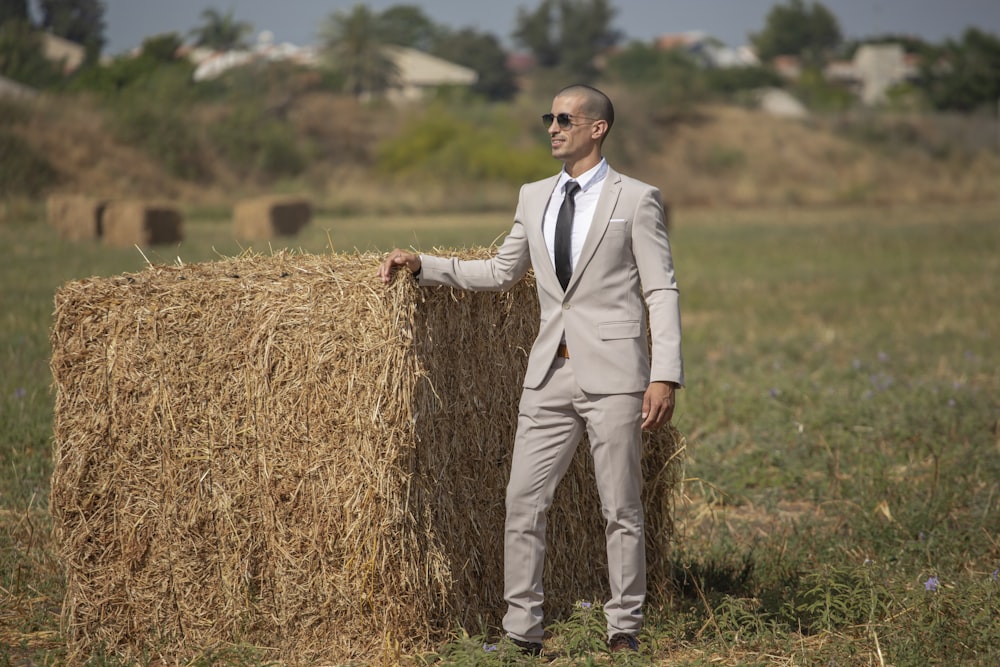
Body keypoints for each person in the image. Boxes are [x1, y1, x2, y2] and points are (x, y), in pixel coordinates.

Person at [378, 84, 683, 655]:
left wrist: (664, 374)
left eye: (565, 118)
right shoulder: (533, 195)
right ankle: (523, 633)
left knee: (620, 507)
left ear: (598, 128)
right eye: (549, 117)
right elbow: (500, 271)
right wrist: (424, 265)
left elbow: (660, 289)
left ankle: (624, 629)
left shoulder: (637, 198)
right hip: (548, 373)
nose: (552, 126)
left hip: (618, 373)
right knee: (523, 502)